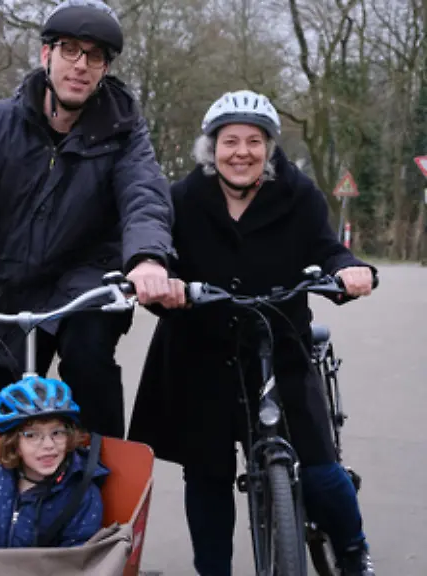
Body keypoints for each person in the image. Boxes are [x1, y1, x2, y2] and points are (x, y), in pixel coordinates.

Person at [127, 90, 376, 575]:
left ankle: (353, 552)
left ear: (269, 148)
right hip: (202, 352)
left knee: (322, 473)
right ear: (211, 148)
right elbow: (157, 256)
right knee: (207, 475)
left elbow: (328, 249)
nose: (241, 152)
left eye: (254, 141)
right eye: (230, 141)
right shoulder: (181, 199)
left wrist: (349, 269)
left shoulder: (298, 194)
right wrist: (161, 283)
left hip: (279, 346)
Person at [0, 0, 179, 439]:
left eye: (94, 56)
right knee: (4, 415)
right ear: (46, 55)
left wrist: (148, 259)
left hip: (88, 282)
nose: (80, 65)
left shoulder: (123, 130)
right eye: (70, 50)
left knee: (88, 360)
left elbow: (144, 195)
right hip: (13, 283)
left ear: (105, 69)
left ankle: (102, 471)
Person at [0, 377, 109, 548]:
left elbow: (76, 558)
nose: (48, 445)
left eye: (57, 433)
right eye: (32, 435)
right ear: (13, 442)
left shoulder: (81, 493)